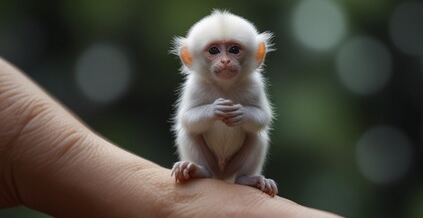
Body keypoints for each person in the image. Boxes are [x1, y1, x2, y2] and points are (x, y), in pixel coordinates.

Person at [0, 58, 340, 217]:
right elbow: (190, 122)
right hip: (204, 155)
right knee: (186, 127)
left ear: (257, 54)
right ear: (190, 58)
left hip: (240, 161)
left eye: (235, 50)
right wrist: (209, 112)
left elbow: (261, 120)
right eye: (214, 52)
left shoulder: (252, 84)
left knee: (259, 135)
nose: (224, 60)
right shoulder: (196, 84)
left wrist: (245, 115)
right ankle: (197, 168)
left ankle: (249, 176)